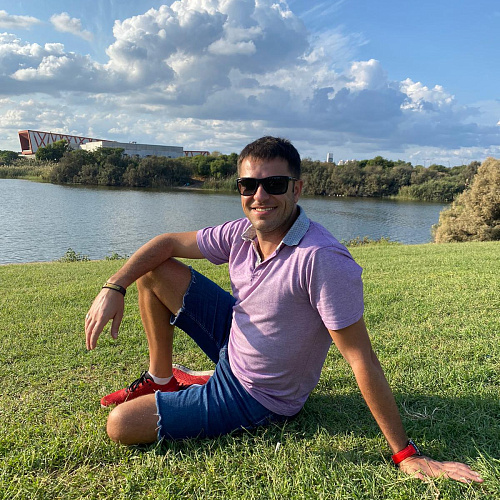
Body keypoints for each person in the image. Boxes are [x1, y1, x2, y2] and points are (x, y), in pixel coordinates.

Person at [85, 136, 483, 484]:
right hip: (236, 340)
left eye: (274, 184)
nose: (260, 196)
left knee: (121, 424)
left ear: (297, 189)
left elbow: (361, 357)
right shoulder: (241, 233)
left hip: (257, 394)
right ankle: (162, 379)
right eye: (249, 185)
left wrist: (405, 454)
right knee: (154, 270)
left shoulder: (321, 259)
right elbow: (168, 242)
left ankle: (206, 383)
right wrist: (114, 286)